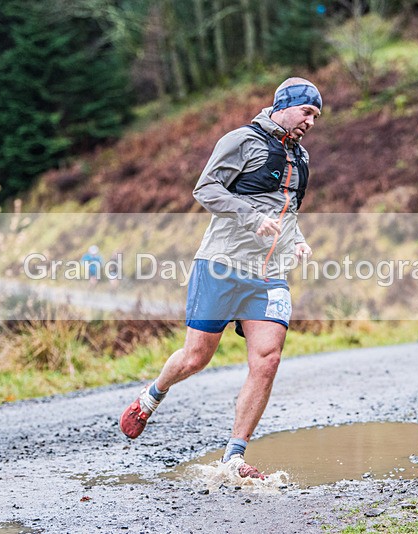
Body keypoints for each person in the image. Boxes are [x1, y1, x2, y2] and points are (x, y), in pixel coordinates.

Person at [118, 77, 321, 480]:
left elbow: (288, 212)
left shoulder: (302, 158)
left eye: (317, 116)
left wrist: (297, 241)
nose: (312, 122)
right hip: (221, 265)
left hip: (269, 274)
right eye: (307, 112)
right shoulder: (240, 140)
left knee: (268, 359)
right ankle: (151, 396)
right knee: (197, 357)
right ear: (283, 105)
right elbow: (205, 189)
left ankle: (234, 455)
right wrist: (251, 217)